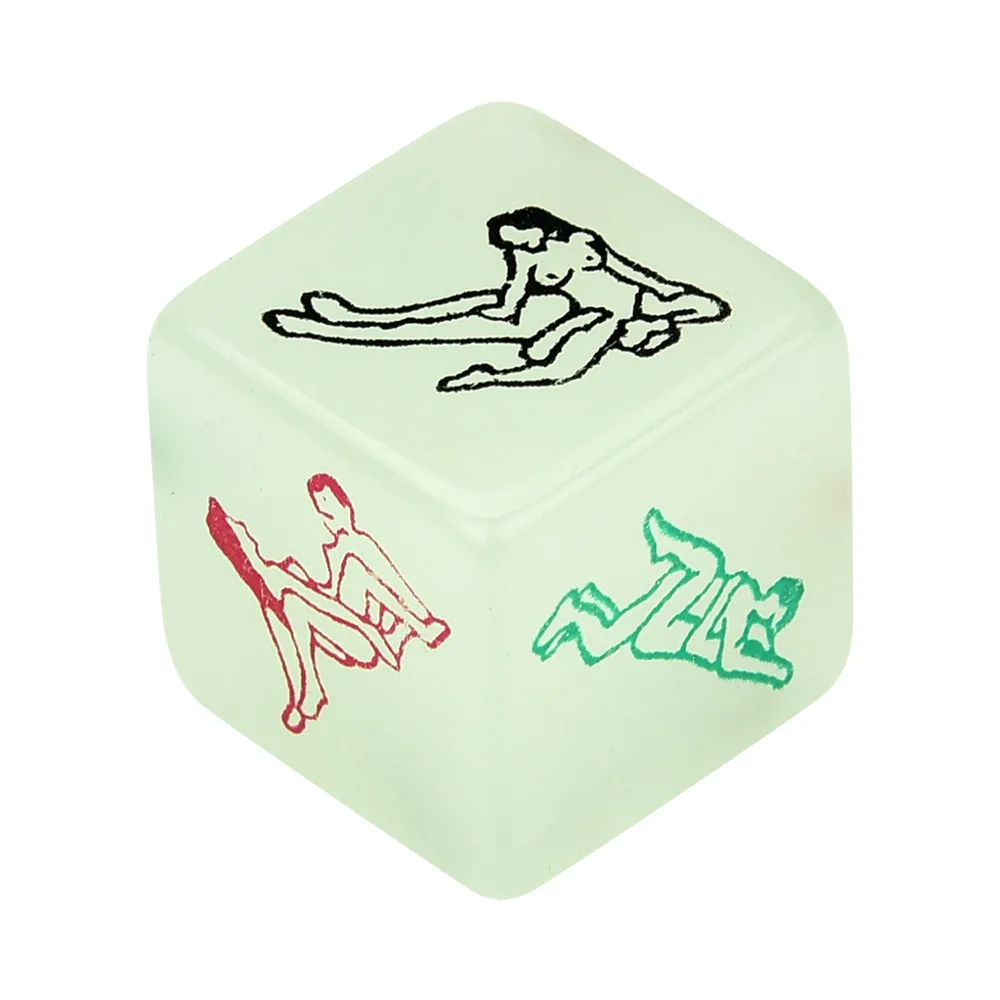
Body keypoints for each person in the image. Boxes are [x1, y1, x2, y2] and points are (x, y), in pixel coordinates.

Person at [262, 206, 731, 392]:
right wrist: (488, 310)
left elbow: (636, 277)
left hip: (568, 318)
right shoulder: (535, 255)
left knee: (438, 331)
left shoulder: (591, 268)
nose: (514, 247)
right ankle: (354, 317)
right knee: (447, 313)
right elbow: (508, 304)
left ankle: (324, 328)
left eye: (517, 239)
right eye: (509, 242)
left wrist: (487, 375)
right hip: (539, 314)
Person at [206, 477, 450, 734]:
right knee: (287, 593)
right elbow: (298, 633)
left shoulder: (353, 546)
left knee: (295, 587)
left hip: (360, 633)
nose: (325, 511)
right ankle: (308, 687)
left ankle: (419, 624)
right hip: (350, 634)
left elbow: (378, 585)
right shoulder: (333, 554)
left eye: (328, 502)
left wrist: (415, 619)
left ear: (345, 505)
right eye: (320, 504)